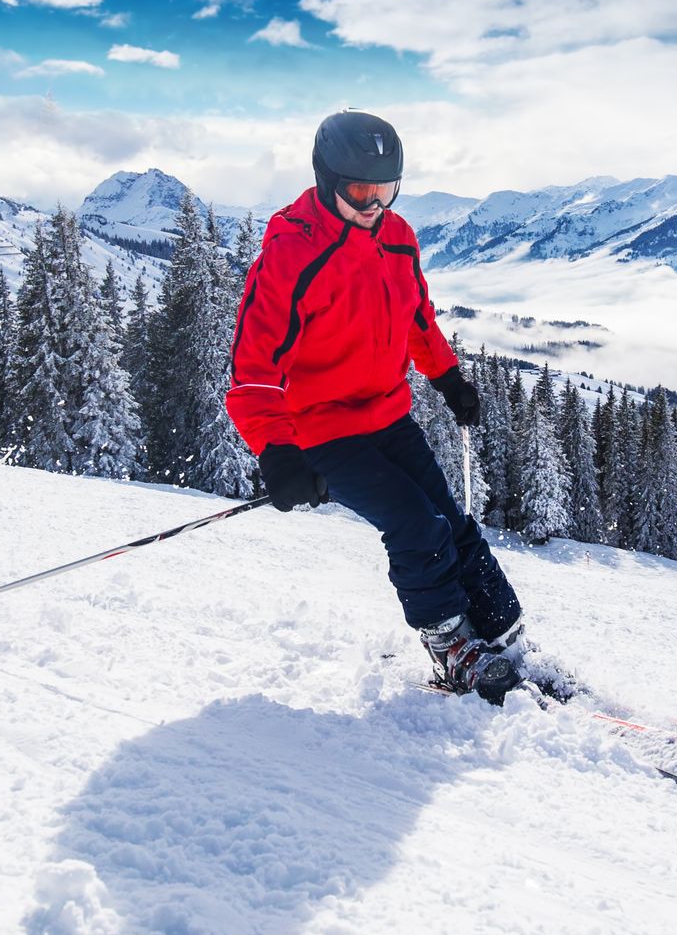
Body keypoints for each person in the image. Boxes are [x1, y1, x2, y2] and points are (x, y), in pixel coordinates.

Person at [225, 111, 525, 701]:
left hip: (388, 413)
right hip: (322, 431)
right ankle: (452, 648)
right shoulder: (291, 253)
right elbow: (252, 370)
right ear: (325, 178)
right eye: (359, 190)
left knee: (453, 522)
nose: (372, 204)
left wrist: (449, 378)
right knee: (417, 528)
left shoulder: (398, 238)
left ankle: (502, 632)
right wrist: (277, 451)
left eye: (384, 190)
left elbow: (417, 319)